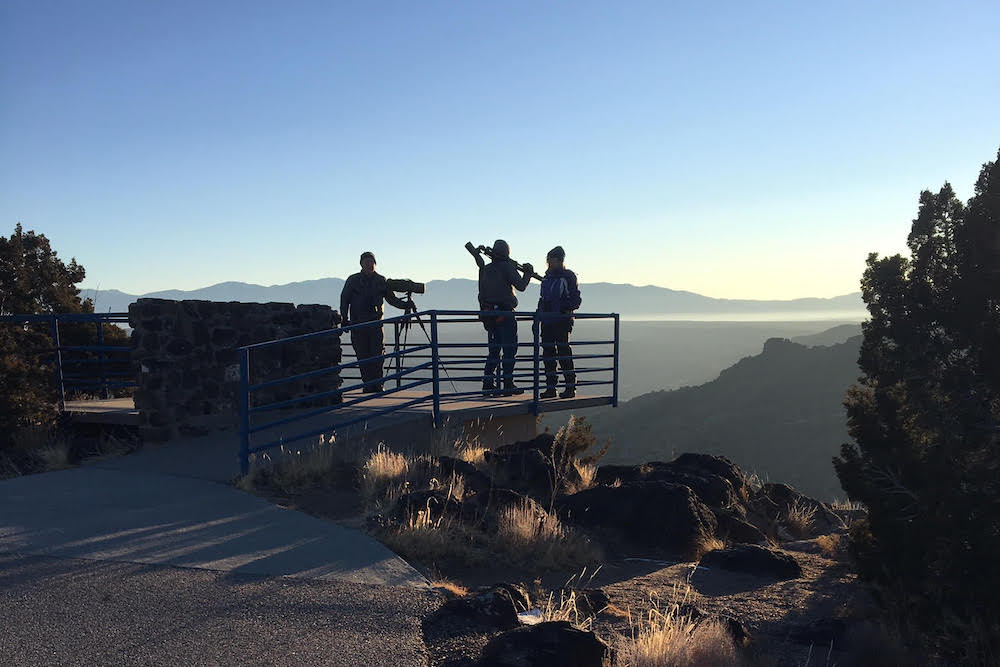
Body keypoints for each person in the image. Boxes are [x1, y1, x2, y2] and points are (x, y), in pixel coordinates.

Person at [340, 251, 411, 393]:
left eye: (371, 261)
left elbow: (391, 299)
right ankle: (368, 384)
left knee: (378, 354)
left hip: (376, 324)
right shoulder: (352, 280)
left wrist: (405, 305)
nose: (369, 264)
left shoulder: (381, 280)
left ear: (375, 264)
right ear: (361, 264)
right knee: (362, 355)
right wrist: (344, 319)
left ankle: (377, 384)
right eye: (366, 261)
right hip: (358, 325)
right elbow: (344, 300)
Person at [477, 240, 533, 395]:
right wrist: (527, 273)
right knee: (509, 350)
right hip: (505, 315)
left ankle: (488, 383)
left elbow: (481, 293)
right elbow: (521, 286)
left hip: (490, 316)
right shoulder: (507, 267)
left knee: (494, 351)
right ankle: (508, 383)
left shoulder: (486, 269)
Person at [537, 245, 582, 399]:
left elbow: (576, 300)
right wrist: (539, 315)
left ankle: (570, 386)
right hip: (547, 321)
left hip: (561, 321)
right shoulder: (547, 277)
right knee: (548, 354)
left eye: (550, 260)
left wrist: (563, 310)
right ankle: (551, 387)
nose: (548, 263)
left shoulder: (568, 277)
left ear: (559, 260)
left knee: (563, 352)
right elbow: (542, 299)